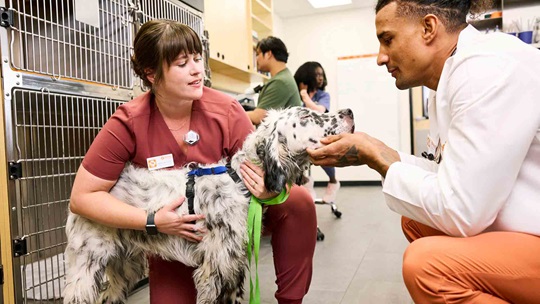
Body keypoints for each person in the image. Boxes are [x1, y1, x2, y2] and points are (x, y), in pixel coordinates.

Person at [308, 0, 540, 303]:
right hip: (522, 224)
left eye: (387, 39)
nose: (380, 57)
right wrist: (375, 150)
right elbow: (449, 175)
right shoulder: (453, 77)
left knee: (427, 266)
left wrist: (376, 156)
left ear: (428, 28)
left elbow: (462, 211)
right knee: (415, 219)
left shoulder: (484, 69)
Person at [69, 20, 316, 304]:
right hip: (170, 237)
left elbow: (265, 169)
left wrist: (268, 188)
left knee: (297, 202)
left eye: (198, 59)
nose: (198, 69)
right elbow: (82, 197)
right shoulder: (128, 122)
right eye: (183, 63)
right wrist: (152, 221)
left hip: (226, 232)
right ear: (151, 74)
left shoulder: (226, 110)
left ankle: (291, 300)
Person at [294, 61, 341, 203]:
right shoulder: (297, 93)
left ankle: (333, 182)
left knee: (323, 157)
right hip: (301, 136)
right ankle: (306, 183)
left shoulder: (323, 95)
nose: (320, 78)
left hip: (318, 135)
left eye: (322, 75)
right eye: (317, 74)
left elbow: (319, 111)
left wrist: (305, 97)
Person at [247, 36, 303, 125]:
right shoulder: (284, 77)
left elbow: (258, 117)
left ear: (268, 54)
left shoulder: (280, 82)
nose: (256, 58)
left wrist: (232, 114)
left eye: (258, 54)